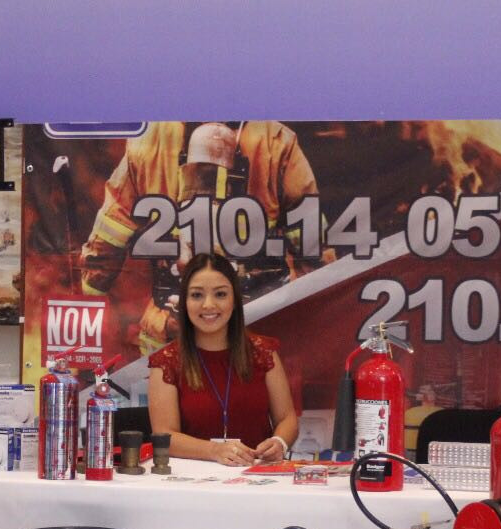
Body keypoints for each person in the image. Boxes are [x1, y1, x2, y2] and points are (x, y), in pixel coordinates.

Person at [80, 121, 329, 353]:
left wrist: (91, 292)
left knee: (163, 393)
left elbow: (109, 235)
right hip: (253, 329)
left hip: (169, 329)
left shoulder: (150, 139)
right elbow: (311, 248)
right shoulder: (274, 140)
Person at [147, 254, 298, 466]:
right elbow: (165, 437)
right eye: (197, 295)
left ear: (234, 299)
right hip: (192, 486)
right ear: (184, 301)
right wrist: (214, 451)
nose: (208, 305)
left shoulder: (263, 352)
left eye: (220, 294)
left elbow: (287, 418)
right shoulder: (166, 361)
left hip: (256, 480)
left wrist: (280, 442)